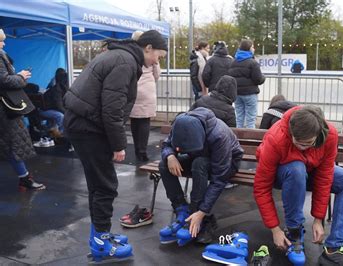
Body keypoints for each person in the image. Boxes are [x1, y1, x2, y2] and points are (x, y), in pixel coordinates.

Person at [63, 30, 167, 263]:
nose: (156, 61)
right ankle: (101, 243)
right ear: (148, 48)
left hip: (82, 123)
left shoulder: (120, 56)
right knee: (105, 186)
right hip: (87, 127)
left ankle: (100, 235)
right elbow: (112, 109)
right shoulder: (126, 62)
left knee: (98, 184)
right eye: (158, 56)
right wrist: (119, 145)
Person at [253, 105, 343, 266]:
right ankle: (294, 233)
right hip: (283, 173)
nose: (301, 147)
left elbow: (324, 176)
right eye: (297, 142)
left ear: (318, 135)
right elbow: (261, 187)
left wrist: (318, 219)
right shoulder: (276, 138)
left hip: (310, 169)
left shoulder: (329, 135)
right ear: (291, 133)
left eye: (308, 144)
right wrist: (275, 229)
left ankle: (334, 249)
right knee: (296, 168)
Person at [158, 107, 243, 246]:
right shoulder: (181, 124)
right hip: (198, 156)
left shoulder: (219, 135)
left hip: (227, 163)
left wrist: (202, 211)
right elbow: (167, 144)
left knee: (199, 163)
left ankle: (194, 213)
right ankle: (182, 211)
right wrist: (170, 155)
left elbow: (219, 179)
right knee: (164, 165)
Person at [0, 28, 45, 191]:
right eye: (0, 40)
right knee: (13, 143)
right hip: (5, 109)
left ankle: (24, 177)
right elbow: (4, 80)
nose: (3, 43)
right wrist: (21, 76)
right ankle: (24, 179)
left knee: (11, 144)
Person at [129, 31, 161, 162]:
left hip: (133, 88)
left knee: (134, 120)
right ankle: (143, 151)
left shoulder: (131, 53)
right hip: (147, 89)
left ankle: (137, 148)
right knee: (145, 121)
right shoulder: (150, 52)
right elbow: (157, 73)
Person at [229, 39, 265, 128]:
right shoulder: (253, 63)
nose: (254, 49)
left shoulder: (233, 62)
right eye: (252, 47)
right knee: (251, 119)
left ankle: (238, 139)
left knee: (239, 118)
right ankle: (250, 139)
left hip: (237, 93)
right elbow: (258, 80)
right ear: (249, 49)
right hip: (250, 93)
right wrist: (263, 77)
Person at [40, 68, 69, 138]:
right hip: (44, 110)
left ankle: (52, 134)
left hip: (51, 109)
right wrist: (68, 113)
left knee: (59, 115)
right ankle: (64, 136)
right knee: (60, 116)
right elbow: (59, 106)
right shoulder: (57, 90)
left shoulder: (61, 88)